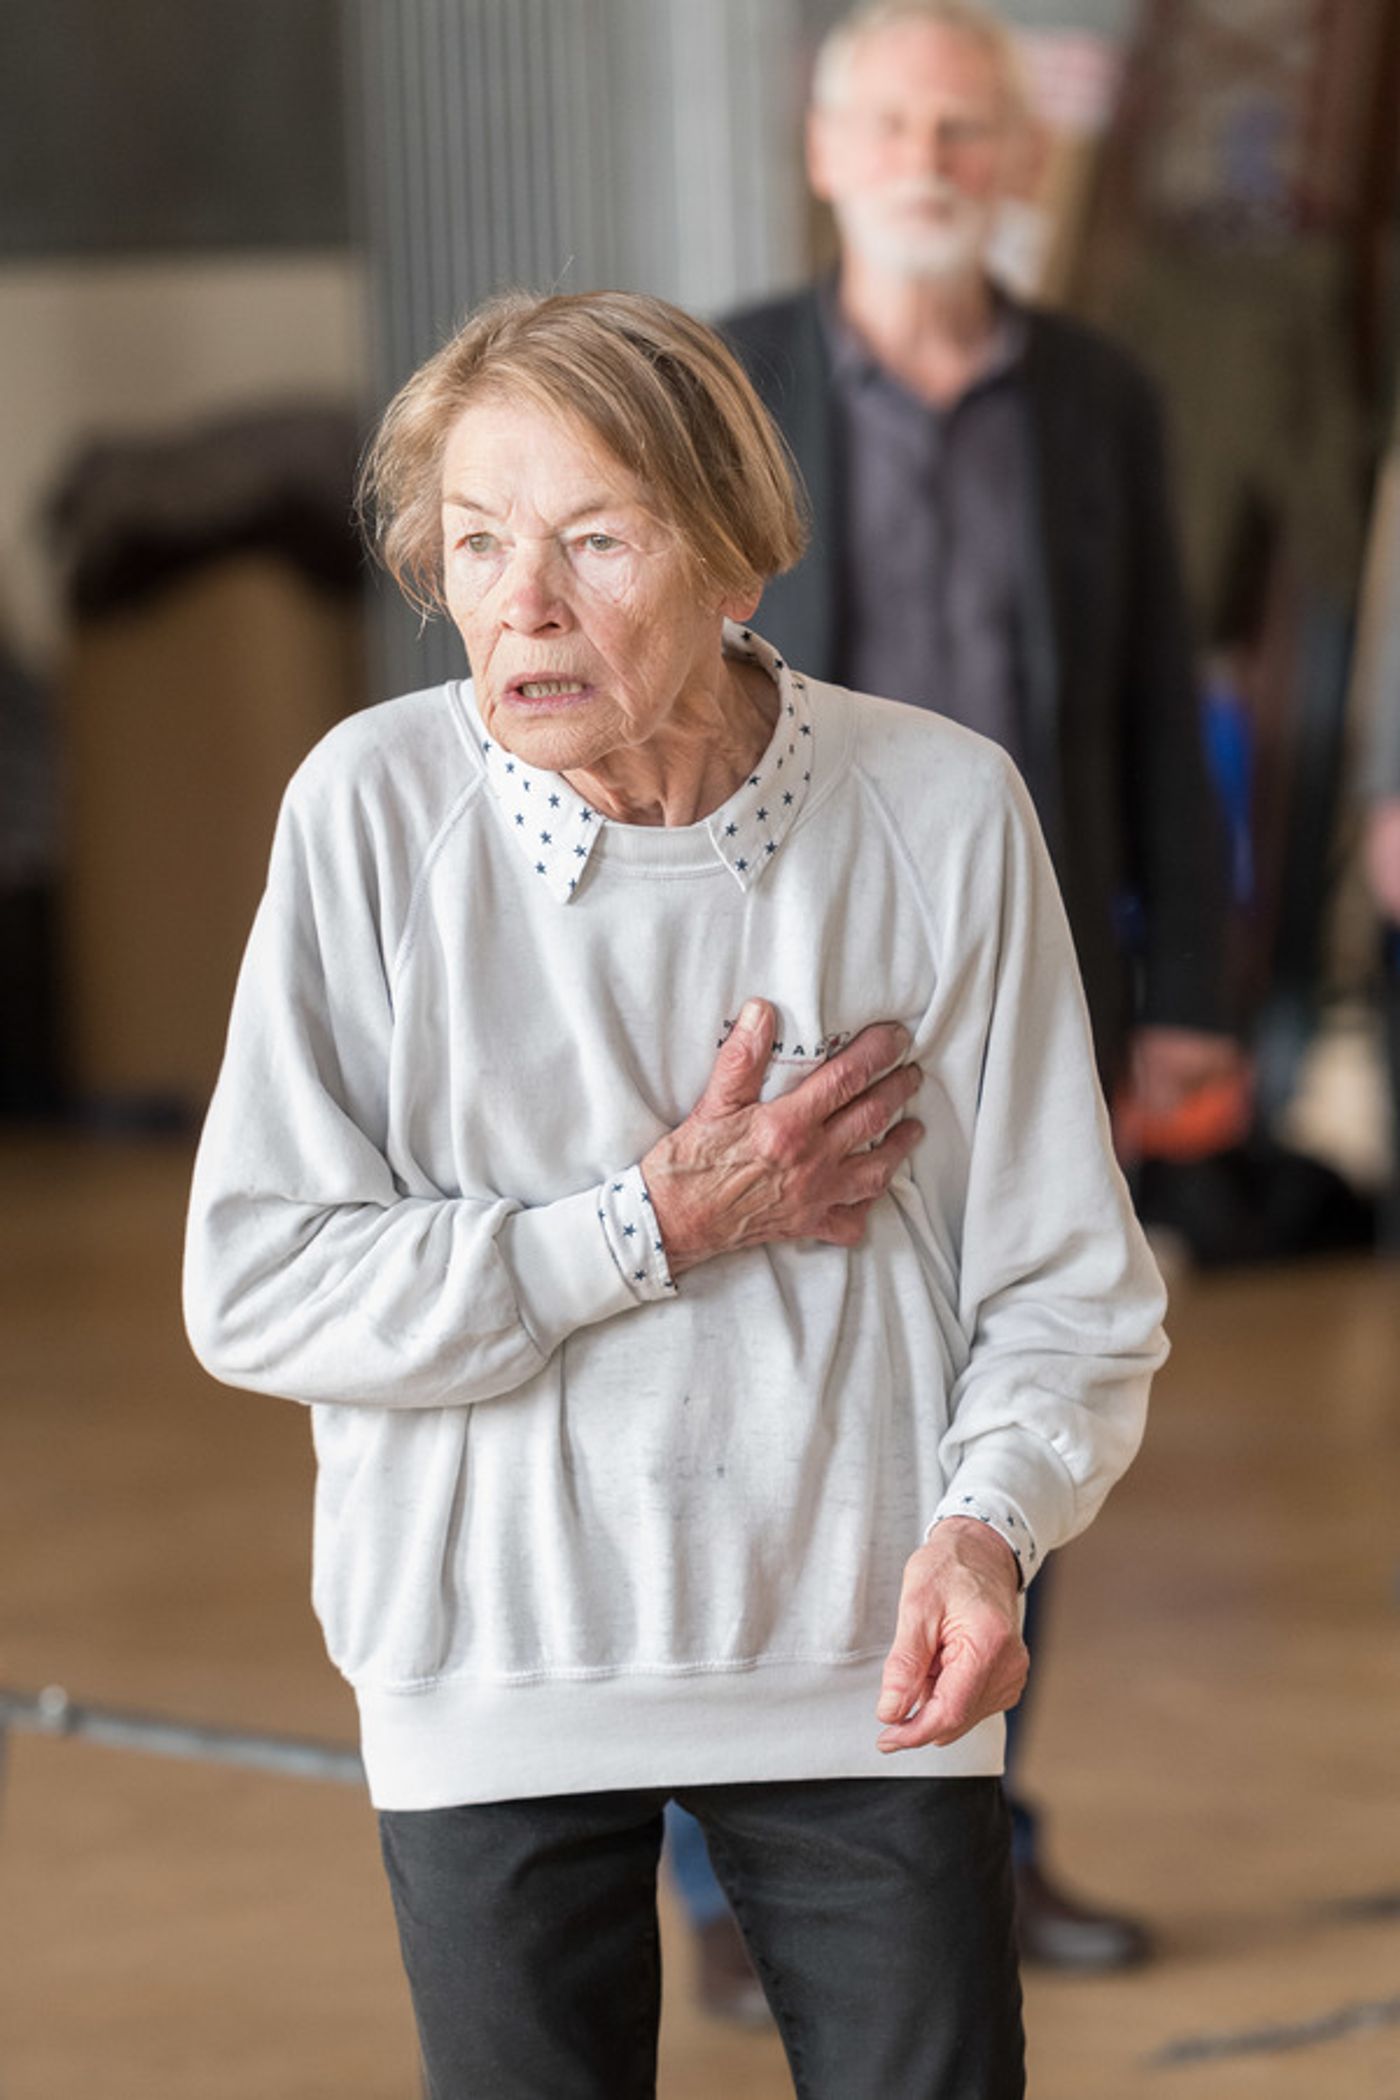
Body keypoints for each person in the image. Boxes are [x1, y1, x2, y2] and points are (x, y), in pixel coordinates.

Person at [183, 287, 1167, 2099]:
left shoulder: (940, 809)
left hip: (862, 1660)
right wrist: (647, 1225)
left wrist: (991, 1524)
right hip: (486, 1656)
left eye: (590, 540)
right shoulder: (369, 813)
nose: (518, 604)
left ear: (734, 561)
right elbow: (258, 1283)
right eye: (475, 543)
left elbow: (1067, 1285)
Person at [661, 0, 1234, 1988]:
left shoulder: (1097, 397)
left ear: (1013, 163)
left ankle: (970, 1814)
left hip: (1029, 975)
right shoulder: (720, 380)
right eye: (892, 123)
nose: (928, 155)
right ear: (826, 156)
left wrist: (1190, 991)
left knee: (1024, 1394)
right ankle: (732, 1883)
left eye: (965, 127)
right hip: (766, 989)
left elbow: (1160, 696)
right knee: (750, 1418)